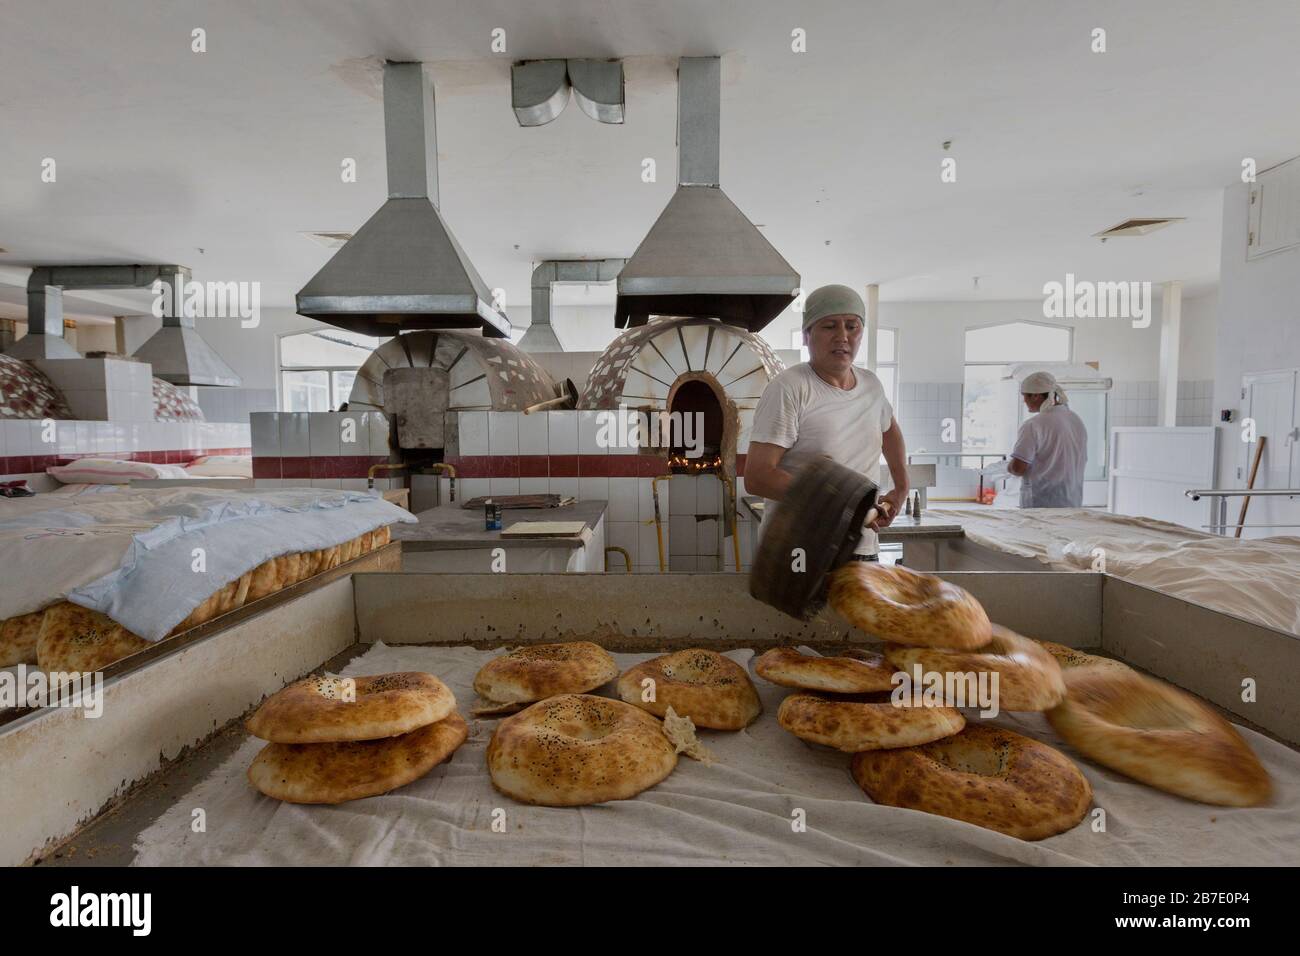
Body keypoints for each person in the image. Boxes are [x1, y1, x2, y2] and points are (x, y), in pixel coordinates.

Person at [744, 284, 909, 561]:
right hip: (801, 548)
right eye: (830, 326)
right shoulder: (790, 388)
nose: (842, 337)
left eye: (852, 326)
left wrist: (902, 487)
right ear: (807, 335)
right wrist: (840, 503)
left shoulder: (871, 385)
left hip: (861, 548)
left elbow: (890, 432)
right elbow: (758, 476)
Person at [1007, 371, 1088, 508]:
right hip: (1072, 501)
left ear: (1036, 396)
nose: (1024, 401)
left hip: (1043, 503)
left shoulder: (1033, 425)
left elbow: (1018, 468)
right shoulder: (1075, 419)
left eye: (1025, 396)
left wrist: (1006, 467)